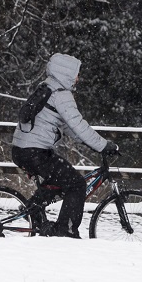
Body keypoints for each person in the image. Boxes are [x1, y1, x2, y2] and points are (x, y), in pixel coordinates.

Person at [11, 53, 119, 238]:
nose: (78, 78)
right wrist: (103, 146)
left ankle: (33, 209)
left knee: (60, 179)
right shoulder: (61, 94)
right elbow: (79, 124)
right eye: (76, 73)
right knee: (76, 184)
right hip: (35, 152)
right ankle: (65, 230)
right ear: (67, 73)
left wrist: (92, 143)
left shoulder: (47, 87)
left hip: (23, 150)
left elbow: (69, 128)